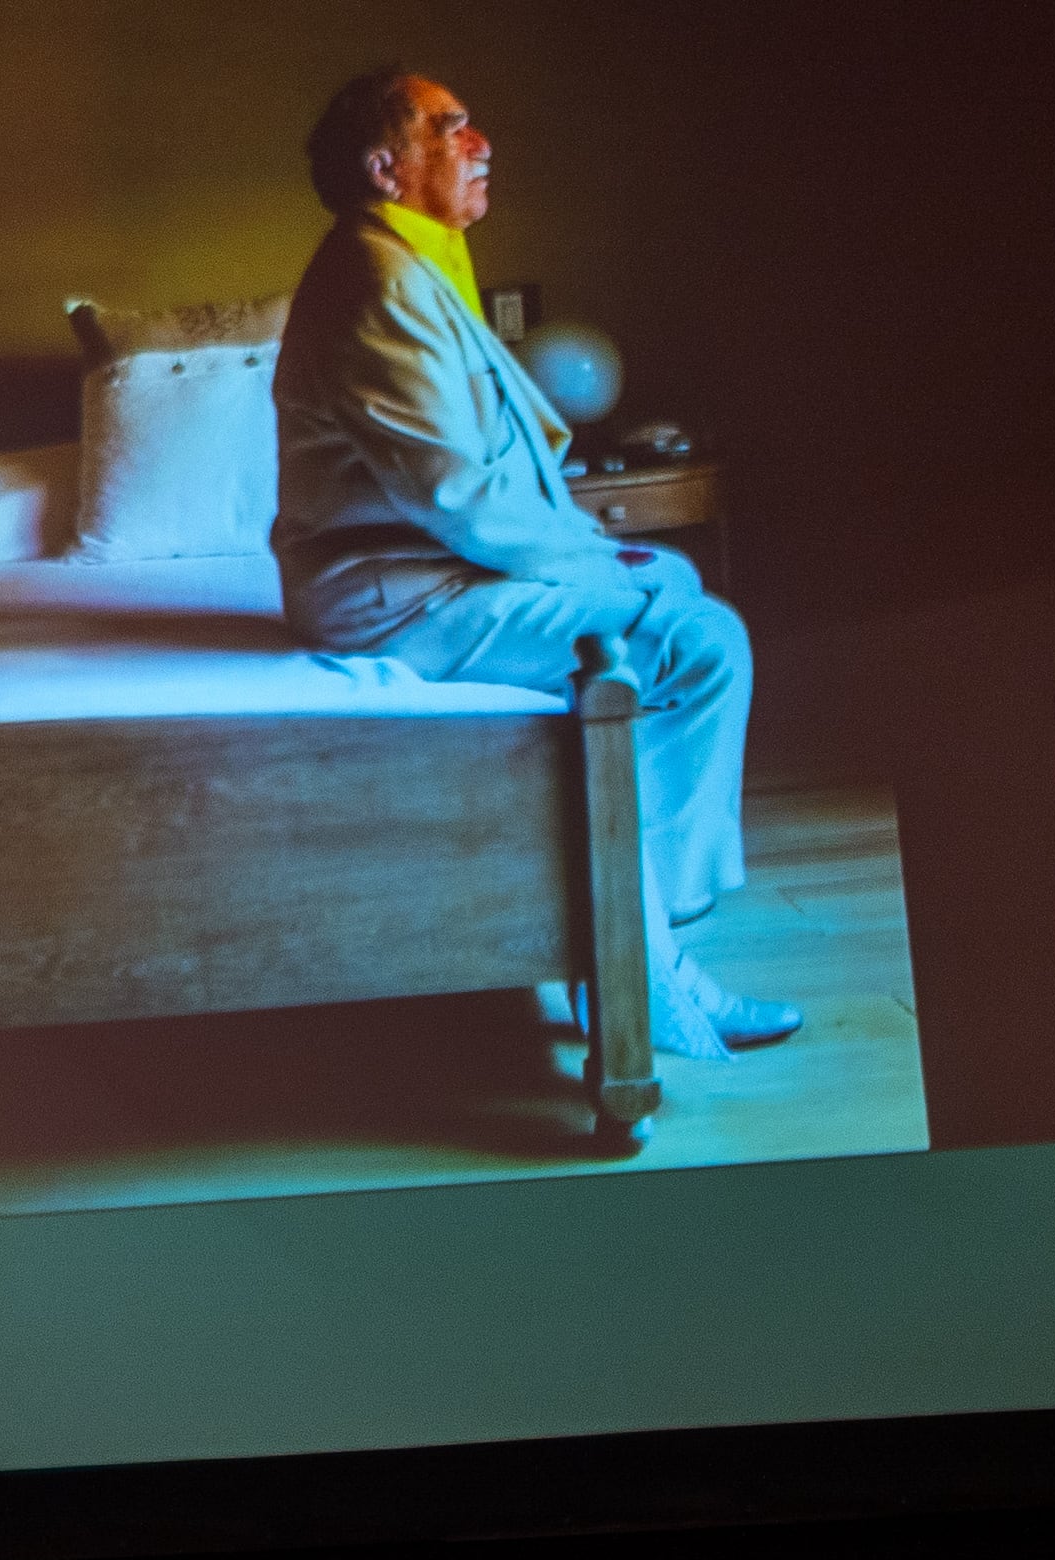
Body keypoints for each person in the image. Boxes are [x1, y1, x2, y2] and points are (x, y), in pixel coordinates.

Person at [270, 65, 800, 1059]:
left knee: (683, 599)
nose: (480, 144)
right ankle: (641, 971)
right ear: (386, 167)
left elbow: (489, 474)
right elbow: (453, 496)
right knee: (693, 637)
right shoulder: (372, 276)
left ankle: (642, 940)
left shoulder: (413, 260)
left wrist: (600, 552)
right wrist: (596, 565)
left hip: (443, 570)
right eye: (449, 128)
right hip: (398, 597)